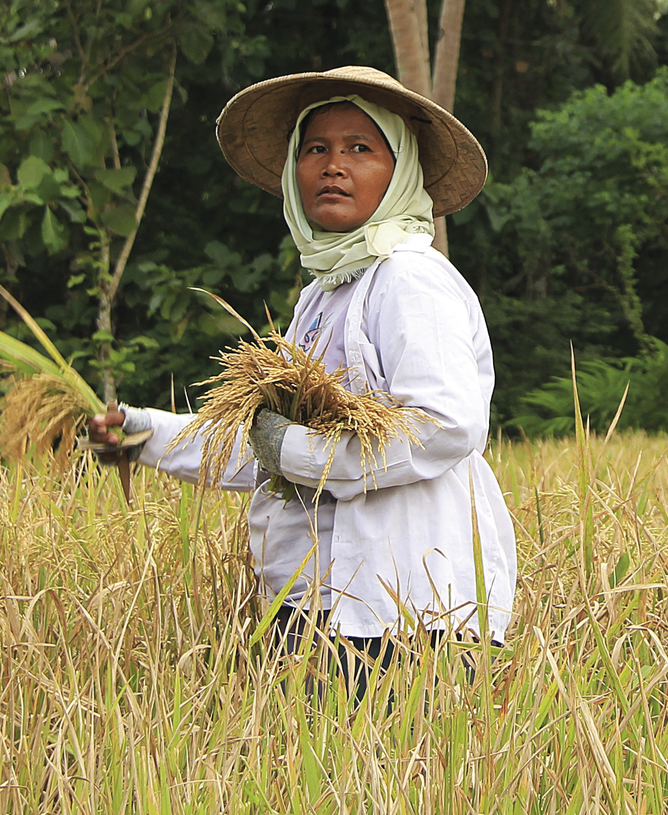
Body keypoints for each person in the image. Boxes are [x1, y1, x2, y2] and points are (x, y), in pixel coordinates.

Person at [86, 65, 517, 685]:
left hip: (407, 606)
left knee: (402, 778)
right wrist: (145, 434)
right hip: (317, 602)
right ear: (294, 172)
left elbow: (446, 425)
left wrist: (300, 451)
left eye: (359, 149)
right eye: (315, 149)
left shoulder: (408, 279)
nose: (333, 165)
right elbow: (264, 440)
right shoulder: (322, 296)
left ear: (400, 175)